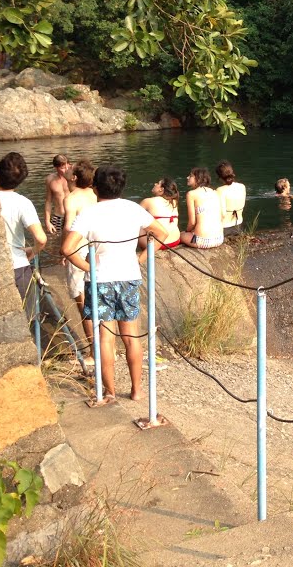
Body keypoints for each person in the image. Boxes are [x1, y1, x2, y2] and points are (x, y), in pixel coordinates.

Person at [62, 165, 168, 403]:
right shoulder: (133, 209)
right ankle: (137, 391)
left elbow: (67, 249)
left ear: (95, 188)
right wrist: (141, 258)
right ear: (122, 186)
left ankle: (109, 392)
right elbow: (163, 234)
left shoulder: (89, 213)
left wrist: (90, 268)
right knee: (131, 335)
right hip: (128, 276)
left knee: (105, 337)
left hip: (100, 281)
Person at [0, 152, 47, 308]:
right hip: (17, 265)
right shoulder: (23, 203)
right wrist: (33, 251)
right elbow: (41, 238)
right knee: (27, 317)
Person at [63, 160, 97, 353]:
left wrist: (64, 250)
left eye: (70, 169)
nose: (67, 170)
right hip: (97, 246)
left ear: (75, 177)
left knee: (83, 301)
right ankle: (106, 348)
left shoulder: (71, 198)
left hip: (79, 248)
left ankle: (94, 351)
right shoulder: (97, 194)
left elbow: (68, 228)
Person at [181, 168, 225, 248]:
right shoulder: (215, 192)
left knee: (181, 235)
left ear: (198, 179)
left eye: (190, 176)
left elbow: (192, 222)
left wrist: (187, 231)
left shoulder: (191, 194)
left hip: (203, 241)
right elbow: (222, 216)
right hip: (219, 239)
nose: (187, 177)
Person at [140, 178, 181, 250]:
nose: (155, 184)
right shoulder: (174, 201)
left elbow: (133, 218)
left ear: (161, 189)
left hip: (158, 244)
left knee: (138, 225)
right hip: (175, 241)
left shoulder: (148, 201)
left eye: (158, 183)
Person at [216, 161, 246, 236]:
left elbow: (222, 213)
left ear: (219, 177)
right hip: (239, 226)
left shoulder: (220, 190)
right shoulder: (242, 186)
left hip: (225, 228)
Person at [44, 154, 71, 235]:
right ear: (56, 168)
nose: (66, 170)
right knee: (53, 242)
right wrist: (47, 221)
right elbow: (48, 201)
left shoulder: (74, 178)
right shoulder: (50, 179)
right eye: (62, 168)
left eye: (67, 167)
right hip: (57, 217)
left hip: (71, 216)